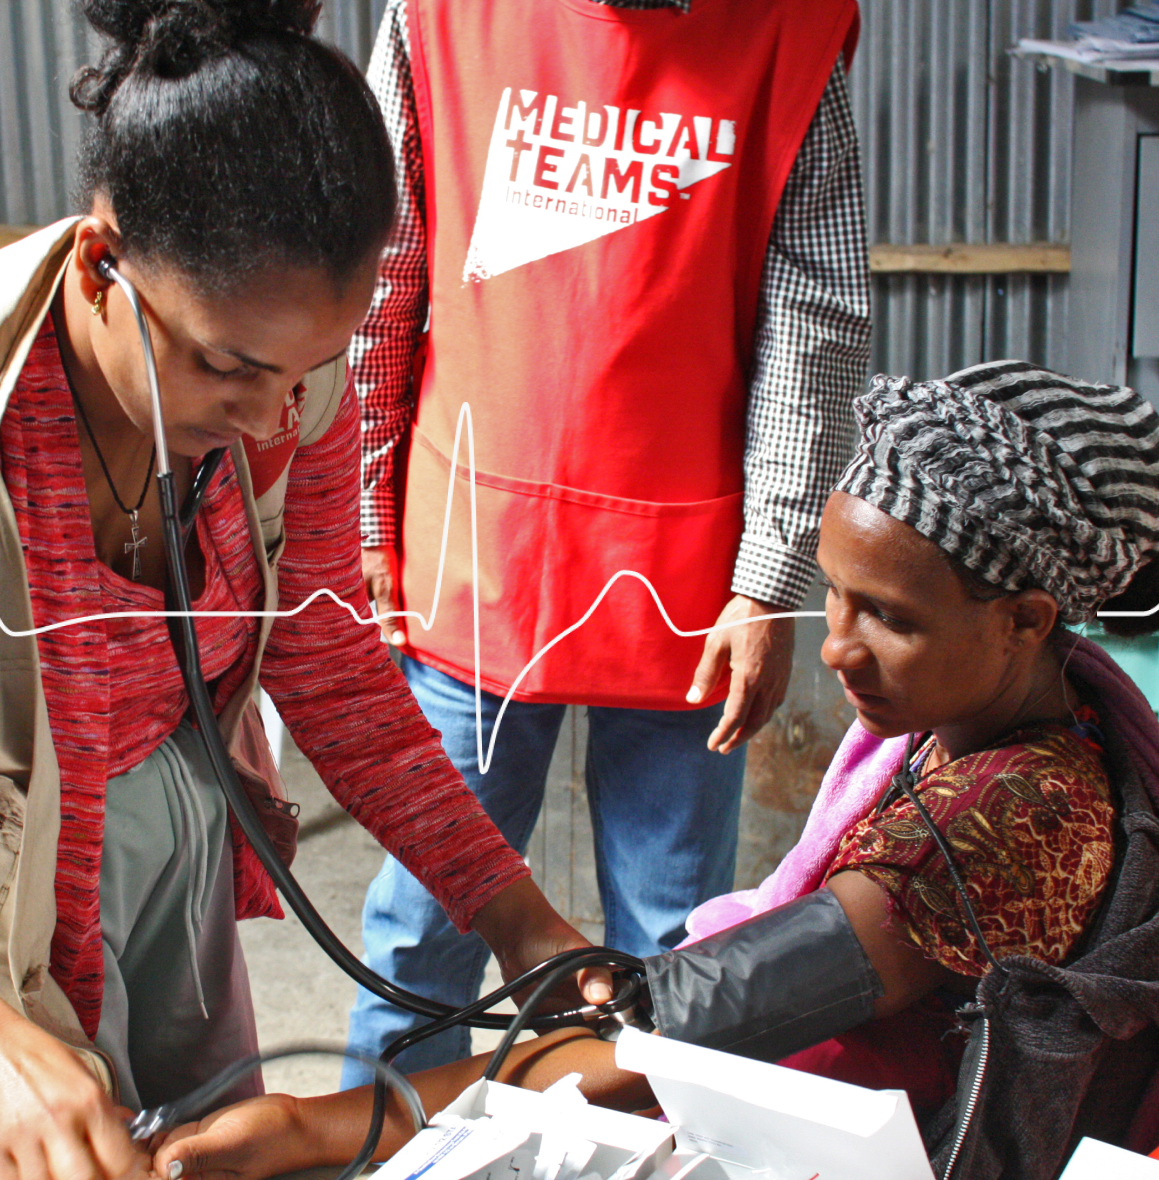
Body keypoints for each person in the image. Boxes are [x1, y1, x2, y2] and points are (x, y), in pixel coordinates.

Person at [153, 361, 1159, 1180]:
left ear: (1025, 620)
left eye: (889, 618)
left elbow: (672, 1032)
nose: (834, 647)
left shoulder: (998, 825)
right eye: (837, 595)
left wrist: (312, 1128)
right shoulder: (1011, 731)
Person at [0, 5, 604, 1179]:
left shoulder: (284, 381)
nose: (274, 421)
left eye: (305, 372)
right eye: (228, 367)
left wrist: (517, 915)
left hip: (166, 830)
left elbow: (330, 666)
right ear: (102, 262)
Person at [345, 0, 872, 1085]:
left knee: (673, 950)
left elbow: (813, 318)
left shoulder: (786, 32)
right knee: (422, 931)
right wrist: (361, 508)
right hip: (471, 555)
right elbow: (381, 275)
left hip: (689, 589)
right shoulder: (442, 17)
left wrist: (764, 580)